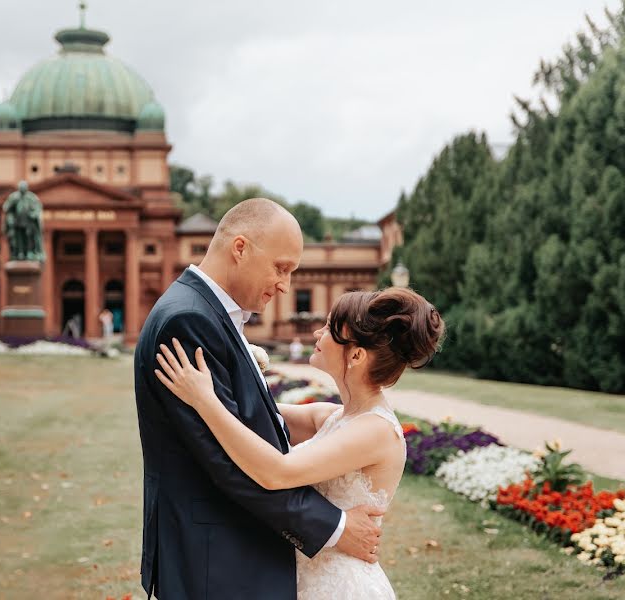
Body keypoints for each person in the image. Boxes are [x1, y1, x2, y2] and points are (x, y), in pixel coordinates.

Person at [134, 198, 384, 600]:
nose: (285, 284)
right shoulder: (190, 321)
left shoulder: (206, 312)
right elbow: (229, 463)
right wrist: (335, 527)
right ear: (240, 248)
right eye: (281, 267)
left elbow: (249, 424)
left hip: (225, 554)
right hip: (217, 559)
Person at [156, 286, 445, 598]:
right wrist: (235, 365)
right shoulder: (334, 416)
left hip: (340, 586)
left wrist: (205, 402)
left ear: (357, 355)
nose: (318, 332)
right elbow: (255, 415)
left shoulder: (374, 431)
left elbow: (277, 472)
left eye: (330, 328)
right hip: (300, 575)